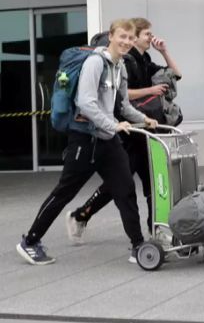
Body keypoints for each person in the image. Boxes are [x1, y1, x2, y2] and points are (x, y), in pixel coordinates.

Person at [16, 19, 159, 266]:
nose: (126, 42)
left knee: (125, 191)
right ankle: (30, 241)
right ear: (112, 36)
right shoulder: (95, 63)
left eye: (130, 38)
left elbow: (123, 105)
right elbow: (86, 103)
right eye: (122, 36)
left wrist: (144, 118)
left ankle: (138, 246)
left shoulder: (120, 66)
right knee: (64, 193)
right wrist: (114, 125)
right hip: (85, 140)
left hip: (108, 141)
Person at [65, 18, 182, 241]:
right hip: (127, 131)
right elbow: (122, 97)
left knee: (150, 182)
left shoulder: (144, 58)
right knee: (119, 185)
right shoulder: (124, 62)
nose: (150, 37)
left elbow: (176, 75)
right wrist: (151, 90)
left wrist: (164, 52)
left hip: (143, 128)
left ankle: (154, 231)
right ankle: (82, 215)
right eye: (146, 34)